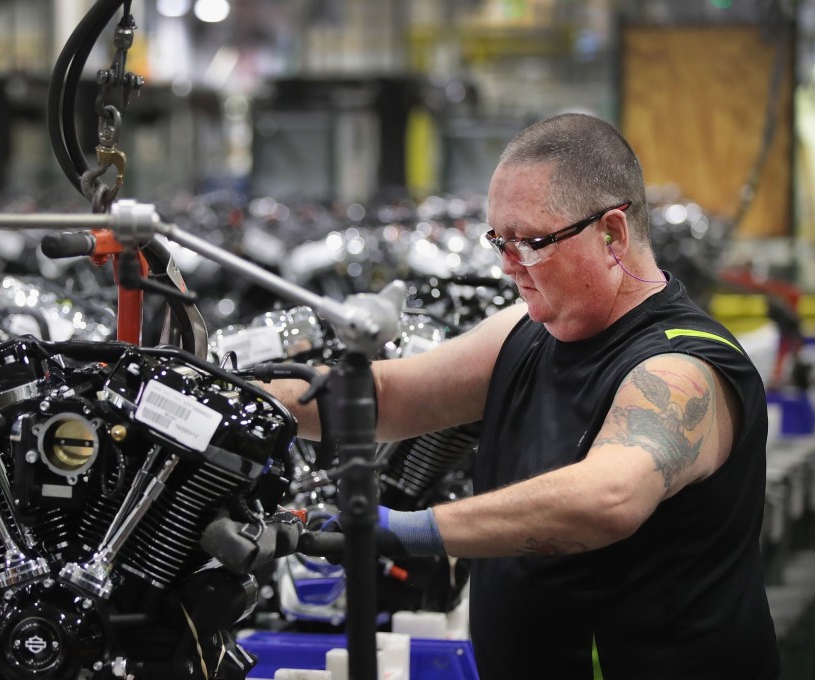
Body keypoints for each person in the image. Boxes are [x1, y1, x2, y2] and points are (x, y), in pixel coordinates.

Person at [264, 113, 779, 679]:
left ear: (612, 233)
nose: (510, 267)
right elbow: (384, 396)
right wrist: (237, 399)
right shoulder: (527, 333)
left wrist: (406, 530)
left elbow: (605, 498)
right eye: (499, 242)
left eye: (531, 242)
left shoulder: (683, 367)